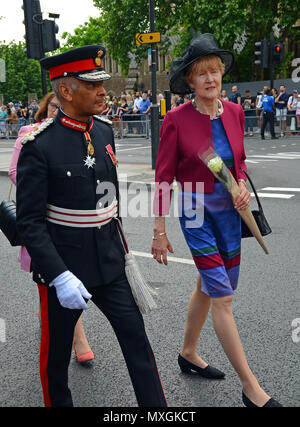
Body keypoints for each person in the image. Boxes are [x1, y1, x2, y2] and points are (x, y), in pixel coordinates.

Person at [16, 45, 167, 408]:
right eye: (92, 85)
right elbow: (30, 223)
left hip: (110, 264)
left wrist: (122, 254)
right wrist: (59, 276)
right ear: (66, 92)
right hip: (65, 270)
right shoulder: (38, 145)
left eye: (102, 84)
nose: (103, 91)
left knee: (138, 345)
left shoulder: (102, 132)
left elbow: (108, 202)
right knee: (55, 364)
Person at [152, 33, 282, 408]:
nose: (210, 79)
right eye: (201, 73)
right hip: (195, 211)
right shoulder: (176, 119)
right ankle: (250, 387)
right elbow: (162, 178)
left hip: (230, 213)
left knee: (210, 286)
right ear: (190, 81)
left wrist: (240, 183)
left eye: (215, 71)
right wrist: (159, 231)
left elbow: (238, 162)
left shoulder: (237, 112)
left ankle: (188, 352)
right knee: (222, 295)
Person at [9, 92, 94, 363]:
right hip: (40, 217)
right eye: (54, 107)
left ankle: (49, 314)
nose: (58, 113)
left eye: (62, 108)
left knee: (69, 277)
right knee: (50, 273)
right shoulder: (29, 133)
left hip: (71, 223)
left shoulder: (77, 134)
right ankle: (78, 338)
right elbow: (15, 172)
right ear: (45, 110)